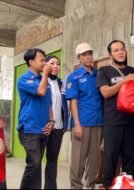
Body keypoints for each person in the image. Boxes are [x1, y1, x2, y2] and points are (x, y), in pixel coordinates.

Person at [96, 40, 134, 188]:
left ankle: (128, 186)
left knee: (130, 159)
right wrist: (123, 81)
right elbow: (105, 93)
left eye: (122, 49)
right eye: (116, 50)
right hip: (112, 121)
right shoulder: (104, 71)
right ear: (110, 54)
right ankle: (108, 186)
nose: (120, 52)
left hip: (132, 121)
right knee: (110, 160)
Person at [66, 43, 102, 189]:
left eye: (90, 54)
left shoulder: (99, 75)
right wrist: (77, 125)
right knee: (78, 160)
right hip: (82, 122)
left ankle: (91, 185)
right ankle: (76, 186)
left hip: (98, 122)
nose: (88, 57)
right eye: (84, 54)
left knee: (94, 160)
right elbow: (73, 102)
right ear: (79, 58)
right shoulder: (74, 77)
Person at [17, 48, 53, 189]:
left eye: (45, 60)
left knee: (36, 166)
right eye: (42, 60)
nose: (45, 63)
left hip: (43, 128)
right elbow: (40, 91)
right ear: (31, 62)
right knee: (34, 164)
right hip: (29, 128)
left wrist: (51, 121)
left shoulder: (44, 80)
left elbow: (48, 103)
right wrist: (45, 75)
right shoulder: (24, 79)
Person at [44, 55, 69, 189]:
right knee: (35, 162)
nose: (55, 66)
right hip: (44, 127)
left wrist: (66, 122)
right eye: (52, 63)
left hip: (58, 128)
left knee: (52, 161)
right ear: (45, 65)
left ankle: (50, 187)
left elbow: (66, 104)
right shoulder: (41, 81)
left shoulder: (61, 83)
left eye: (57, 64)